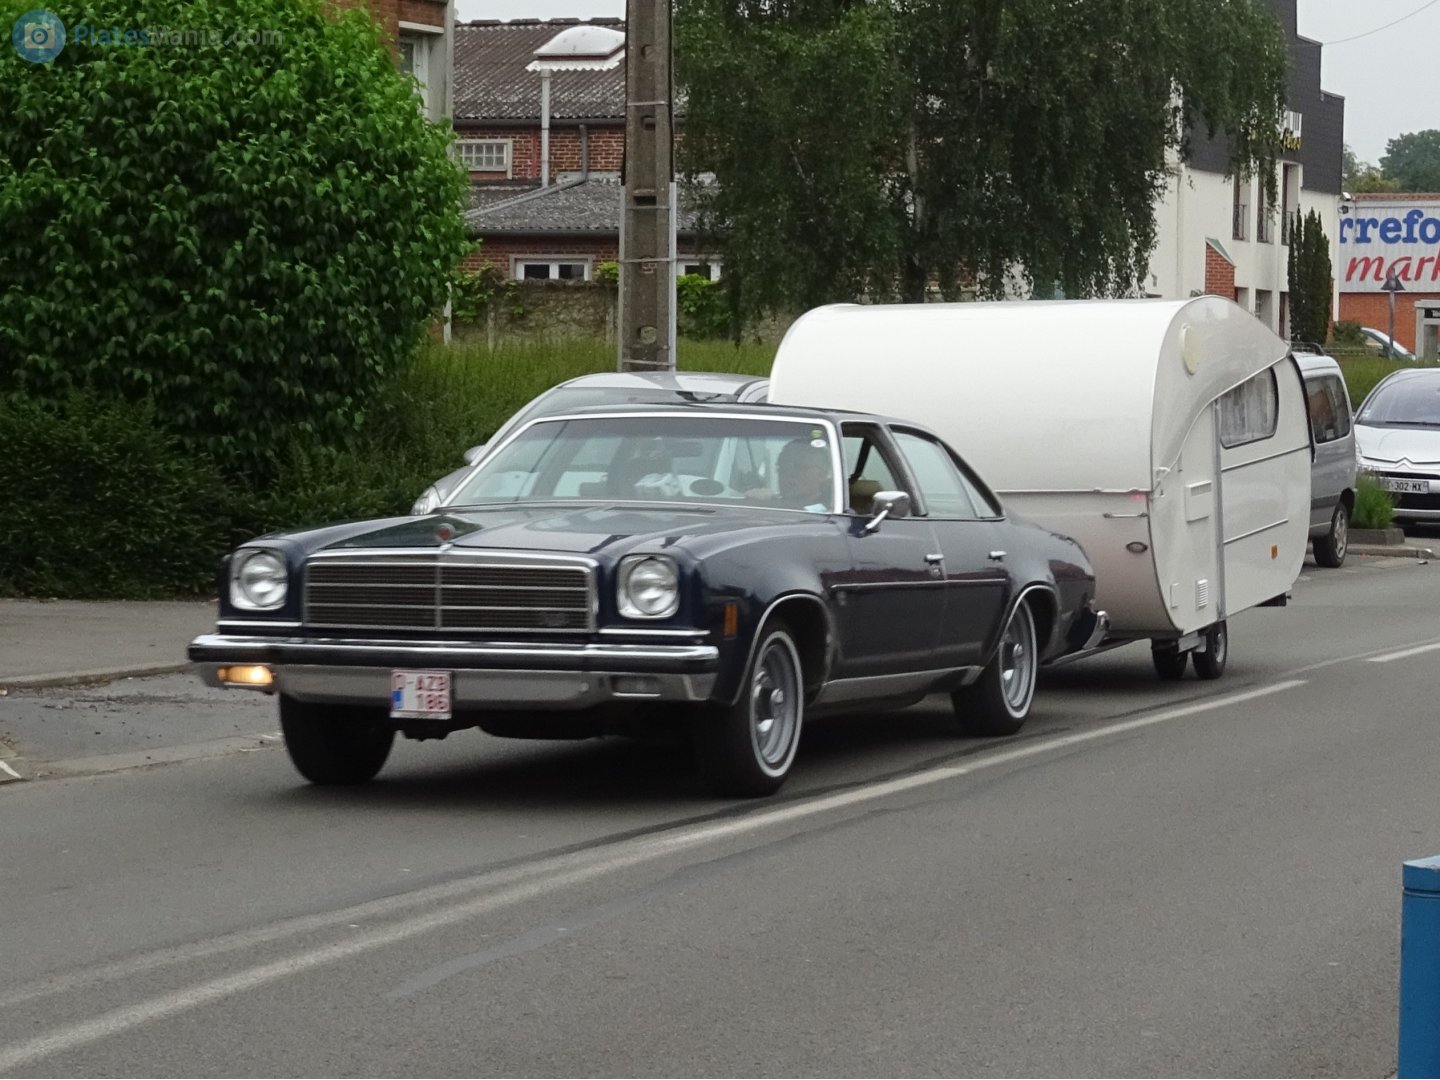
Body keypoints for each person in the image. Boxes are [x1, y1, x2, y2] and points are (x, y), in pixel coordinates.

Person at [747, 437, 833, 511]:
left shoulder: (828, 511)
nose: (790, 474)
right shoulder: (766, 505)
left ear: (822, 474)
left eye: (801, 468)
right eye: (784, 467)